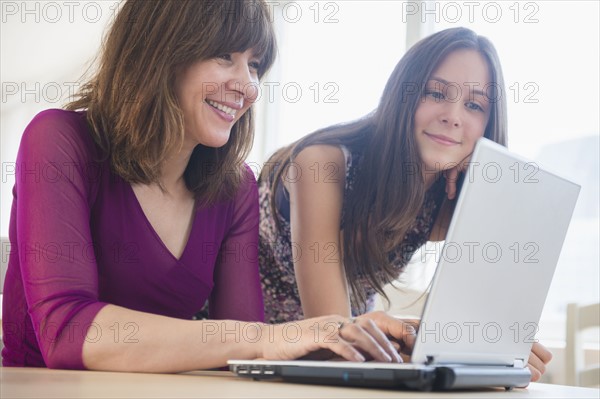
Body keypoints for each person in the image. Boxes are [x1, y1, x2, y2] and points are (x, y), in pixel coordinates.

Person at [2, 0, 415, 372]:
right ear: (160, 53)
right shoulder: (58, 140)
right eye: (224, 56)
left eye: (254, 64)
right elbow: (67, 331)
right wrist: (265, 339)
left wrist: (351, 336)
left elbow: (243, 346)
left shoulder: (234, 190)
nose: (248, 86)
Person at [258, 27, 551, 380]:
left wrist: (492, 347)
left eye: (474, 105)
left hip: (349, 366)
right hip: (248, 351)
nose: (453, 116)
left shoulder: (441, 201)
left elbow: (487, 305)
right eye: (435, 93)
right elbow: (335, 334)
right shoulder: (322, 164)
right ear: (403, 96)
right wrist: (425, 337)